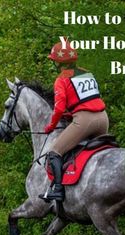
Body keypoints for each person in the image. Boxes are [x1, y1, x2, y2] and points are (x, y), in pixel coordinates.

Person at [44, 40, 109, 201]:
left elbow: (58, 108)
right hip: (103, 119)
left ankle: (58, 190)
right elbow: (87, 98)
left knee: (54, 152)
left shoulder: (61, 79)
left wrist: (51, 126)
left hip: (85, 121)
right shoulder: (87, 73)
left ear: (59, 62)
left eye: (54, 61)